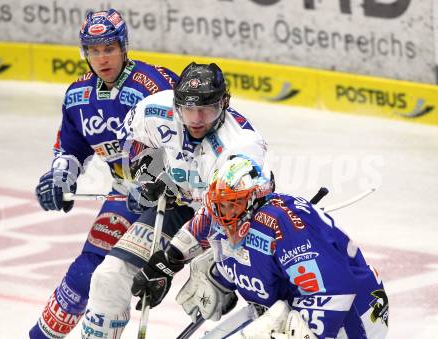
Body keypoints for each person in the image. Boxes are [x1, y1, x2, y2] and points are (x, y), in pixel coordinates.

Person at [80, 62, 269, 338]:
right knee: (108, 278)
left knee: (252, 302)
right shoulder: (157, 109)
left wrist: (169, 262)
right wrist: (148, 171)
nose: (195, 119)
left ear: (224, 103)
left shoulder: (241, 145)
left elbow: (224, 213)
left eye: (206, 110)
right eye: (188, 110)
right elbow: (130, 136)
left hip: (234, 226)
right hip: (180, 208)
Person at [30, 9, 179, 339]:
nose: (102, 58)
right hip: (128, 193)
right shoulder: (77, 97)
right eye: (94, 50)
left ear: (123, 46)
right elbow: (70, 148)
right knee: (86, 273)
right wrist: (61, 177)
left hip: (178, 199)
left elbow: (193, 138)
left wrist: (165, 177)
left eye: (108, 48)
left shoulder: (154, 87)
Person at [133, 156, 389, 338]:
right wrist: (167, 263)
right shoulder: (221, 216)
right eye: (220, 204)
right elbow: (200, 227)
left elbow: (335, 289)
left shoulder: (281, 224)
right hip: (284, 309)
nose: (224, 213)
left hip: (350, 315)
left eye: (233, 204)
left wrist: (308, 332)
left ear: (256, 199)